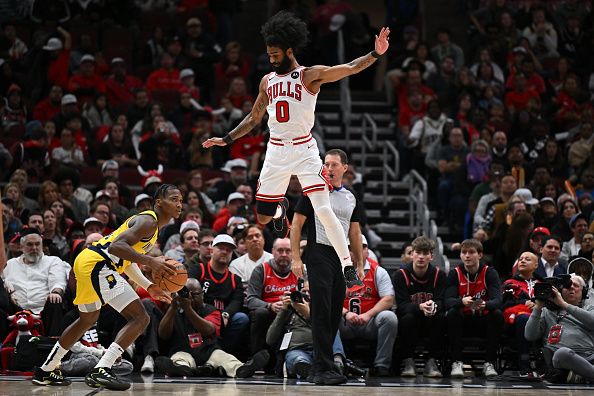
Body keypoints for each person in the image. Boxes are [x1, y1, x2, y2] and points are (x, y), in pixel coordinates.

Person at [203, 11, 390, 290]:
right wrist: (227, 139)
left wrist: (375, 54)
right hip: (276, 152)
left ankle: (347, 266)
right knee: (264, 217)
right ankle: (281, 210)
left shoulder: (310, 75)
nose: (271, 58)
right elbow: (254, 117)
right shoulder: (267, 81)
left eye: (275, 54)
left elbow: (349, 67)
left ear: (289, 51)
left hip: (305, 151)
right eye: (269, 54)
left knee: (324, 210)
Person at [32, 184, 181, 390]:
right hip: (98, 264)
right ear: (158, 203)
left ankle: (45, 370)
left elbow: (126, 261)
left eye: (180, 200)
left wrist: (149, 286)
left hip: (89, 262)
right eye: (174, 199)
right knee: (141, 317)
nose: (179, 204)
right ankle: (102, 369)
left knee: (87, 319)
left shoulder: (152, 228)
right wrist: (151, 261)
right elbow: (116, 247)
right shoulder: (149, 221)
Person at [290, 149, 364, 385]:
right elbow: (296, 225)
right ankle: (323, 367)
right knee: (321, 310)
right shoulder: (313, 191)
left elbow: (355, 231)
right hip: (318, 252)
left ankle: (318, 367)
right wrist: (296, 258)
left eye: (334, 165)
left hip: (341, 259)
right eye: (326, 164)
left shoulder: (351, 197)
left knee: (333, 312)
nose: (329, 169)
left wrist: (359, 263)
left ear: (345, 168)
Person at [525, 267, 594, 383]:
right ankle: (584, 374)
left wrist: (564, 305)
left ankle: (582, 374)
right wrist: (537, 308)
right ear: (561, 290)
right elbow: (530, 335)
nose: (571, 288)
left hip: (590, 357)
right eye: (567, 286)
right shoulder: (547, 311)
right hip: (562, 359)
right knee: (562, 353)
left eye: (576, 286)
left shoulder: (589, 307)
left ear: (584, 292)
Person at [393, 236, 446, 377]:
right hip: (410, 322)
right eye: (418, 252)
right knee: (408, 317)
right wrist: (420, 307)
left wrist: (434, 306)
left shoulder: (439, 275)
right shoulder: (400, 275)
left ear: (431, 256)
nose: (421, 257)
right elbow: (402, 306)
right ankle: (408, 362)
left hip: (431, 320)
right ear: (412, 254)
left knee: (439, 316)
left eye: (425, 253)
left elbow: (442, 301)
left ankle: (432, 362)